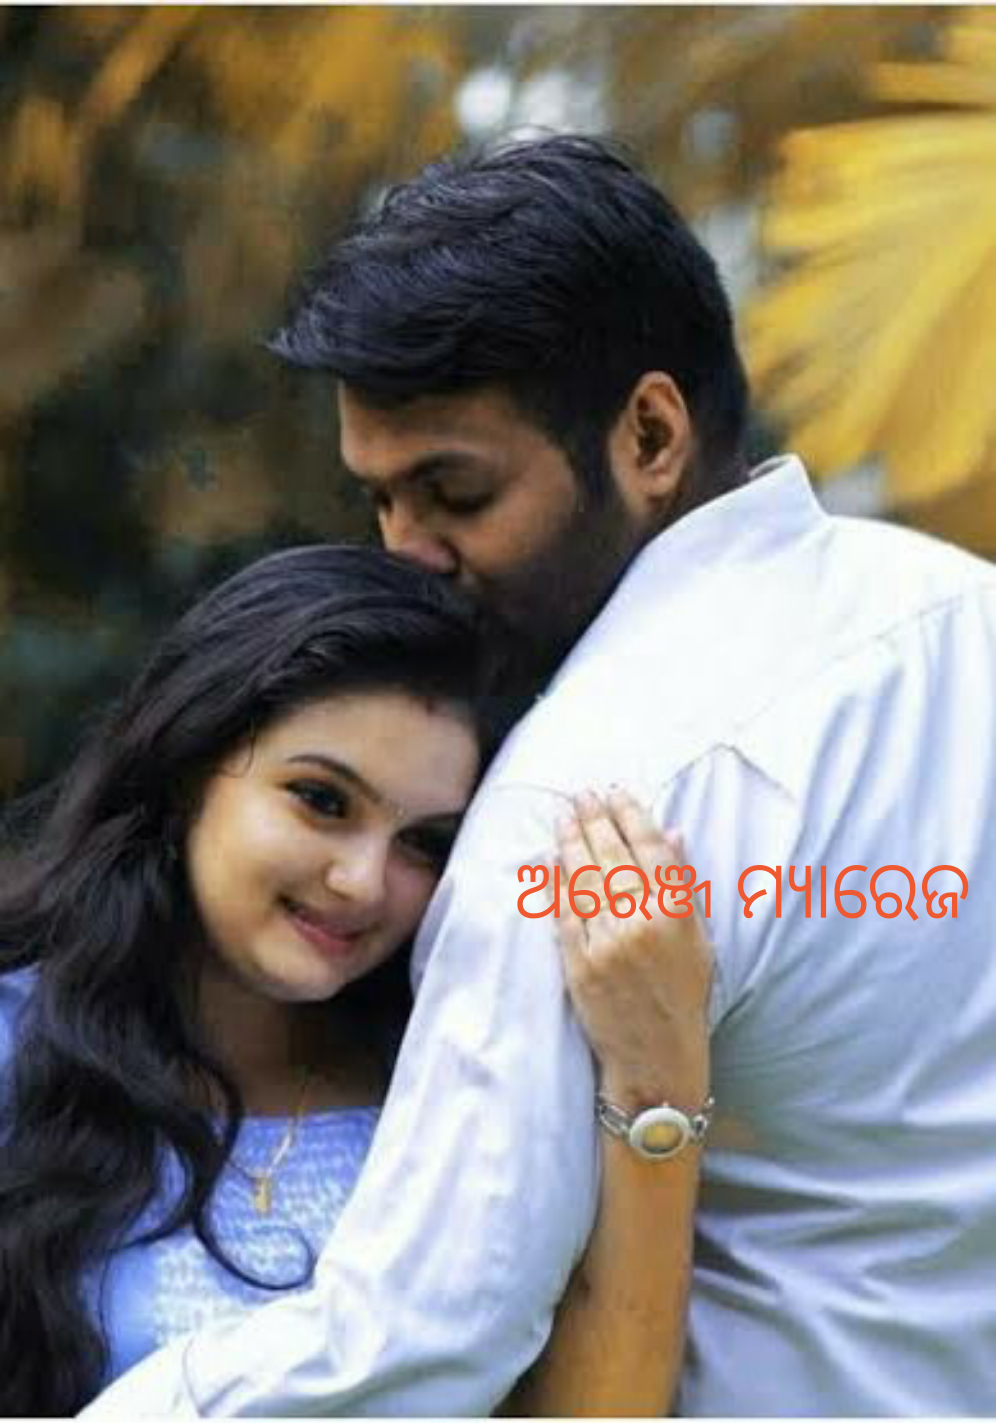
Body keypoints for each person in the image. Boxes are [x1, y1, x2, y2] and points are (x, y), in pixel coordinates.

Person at [83, 132, 996, 1417]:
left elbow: (420, 1338)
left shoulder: (581, 804)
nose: (407, 553)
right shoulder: (964, 619)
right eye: (380, 501)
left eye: (453, 492)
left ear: (650, 434)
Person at [0, 541, 712, 1417]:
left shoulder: (452, 1078)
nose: (364, 882)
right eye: (323, 800)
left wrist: (655, 1082)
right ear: (188, 766)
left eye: (424, 843)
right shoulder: (18, 1043)